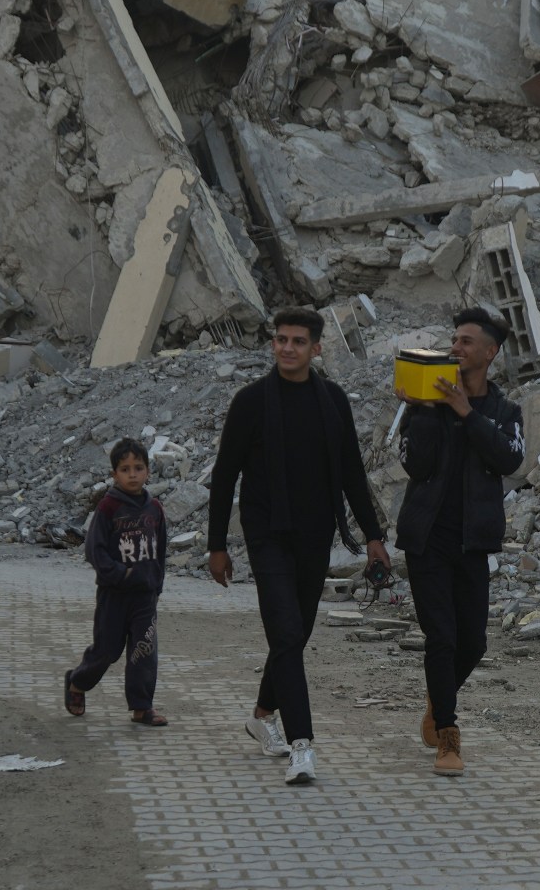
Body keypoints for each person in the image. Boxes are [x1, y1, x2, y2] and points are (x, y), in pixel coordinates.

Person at [206, 308, 389, 786]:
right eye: (281, 339)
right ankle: (302, 745)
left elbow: (351, 472)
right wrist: (216, 546)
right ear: (273, 344)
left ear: (316, 348)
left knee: (295, 634)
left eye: (298, 341)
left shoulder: (332, 401)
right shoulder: (250, 402)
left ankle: (261, 715)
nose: (287, 348)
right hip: (266, 534)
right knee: (287, 633)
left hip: (315, 535)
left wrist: (373, 537)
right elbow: (224, 476)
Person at [394, 306, 524, 777]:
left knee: (473, 643)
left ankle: (438, 696)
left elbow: (509, 459)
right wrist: (426, 411)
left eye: (466, 341)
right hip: (427, 539)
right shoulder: (424, 402)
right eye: (454, 339)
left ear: (490, 353)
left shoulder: (504, 411)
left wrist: (466, 413)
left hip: (474, 543)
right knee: (442, 637)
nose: (455, 348)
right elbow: (415, 465)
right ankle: (448, 736)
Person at [65, 438, 169, 726]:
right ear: (114, 474)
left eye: (138, 468)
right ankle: (77, 682)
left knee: (144, 650)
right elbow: (94, 551)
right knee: (107, 651)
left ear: (148, 471)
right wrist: (121, 574)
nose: (132, 474)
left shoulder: (154, 509)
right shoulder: (108, 508)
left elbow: (160, 549)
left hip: (145, 596)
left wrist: (156, 583)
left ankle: (142, 707)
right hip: (114, 595)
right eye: (125, 469)